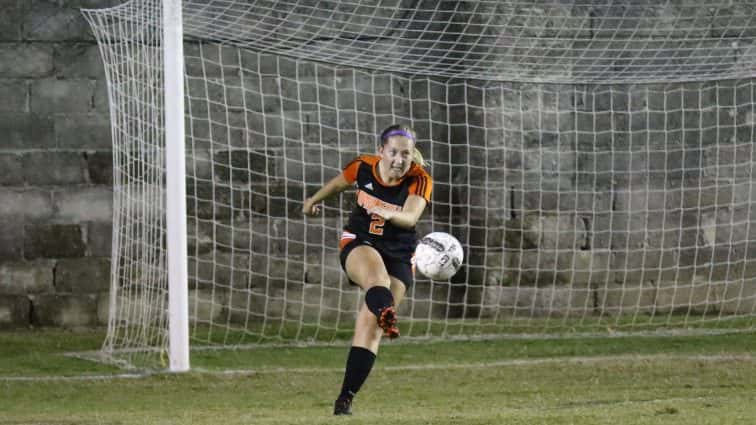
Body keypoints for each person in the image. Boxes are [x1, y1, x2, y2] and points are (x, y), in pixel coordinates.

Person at [302, 124, 433, 416]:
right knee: (378, 279)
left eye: (406, 154)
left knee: (370, 328)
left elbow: (410, 217)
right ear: (381, 152)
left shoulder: (420, 179)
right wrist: (312, 201)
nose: (399, 160)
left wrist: (388, 211)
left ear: (413, 156)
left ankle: (344, 399)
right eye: (393, 152)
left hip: (399, 253)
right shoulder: (363, 167)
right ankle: (386, 312)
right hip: (360, 242)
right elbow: (338, 184)